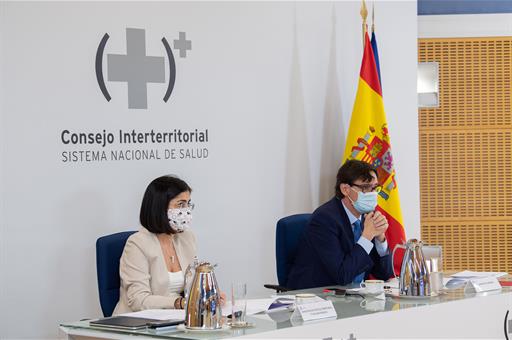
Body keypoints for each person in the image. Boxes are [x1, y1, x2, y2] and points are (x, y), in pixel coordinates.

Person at [287, 160, 394, 289]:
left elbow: (385, 274)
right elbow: (342, 275)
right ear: (345, 189)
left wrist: (380, 239)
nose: (373, 194)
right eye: (366, 188)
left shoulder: (367, 216)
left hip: (354, 298)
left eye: (375, 188)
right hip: (317, 297)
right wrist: (366, 237)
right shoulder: (324, 219)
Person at [113, 175, 197, 314]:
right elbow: (138, 300)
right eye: (180, 204)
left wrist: (208, 294)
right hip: (138, 324)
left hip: (175, 319)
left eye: (188, 204)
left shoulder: (187, 238)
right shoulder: (137, 244)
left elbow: (193, 286)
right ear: (160, 207)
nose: (186, 210)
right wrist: (178, 303)